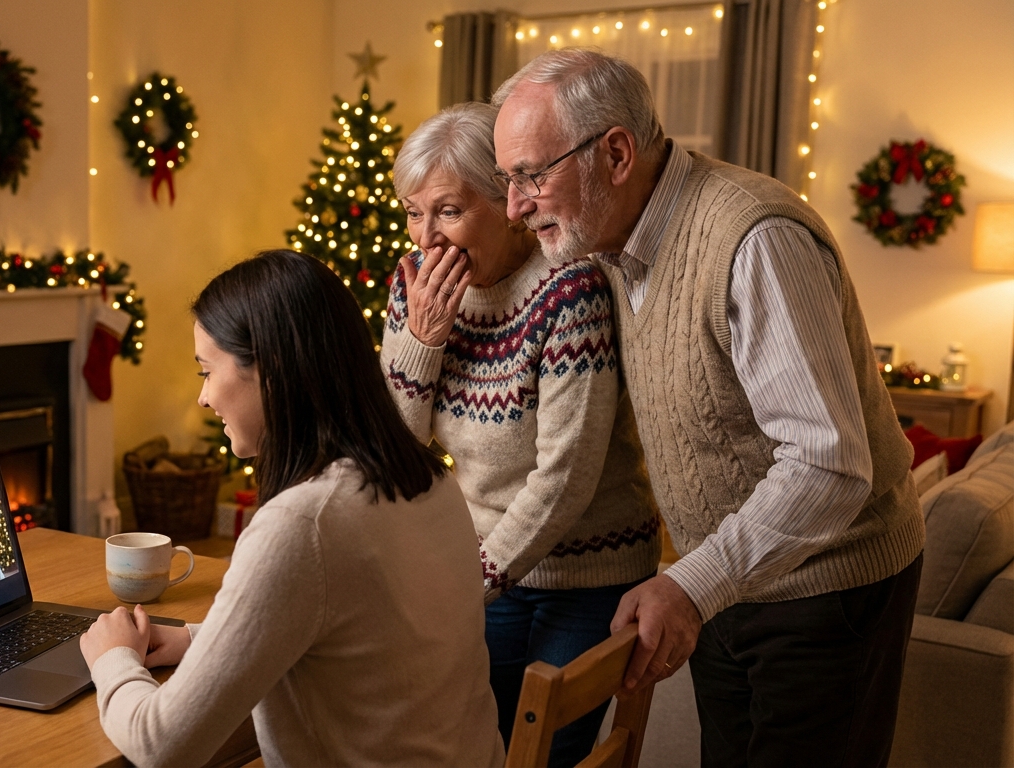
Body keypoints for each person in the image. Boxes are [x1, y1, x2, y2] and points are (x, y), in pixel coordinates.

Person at [492, 49, 924, 766]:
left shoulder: (755, 240)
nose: (514, 205)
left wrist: (692, 584)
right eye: (508, 179)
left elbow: (828, 465)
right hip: (728, 577)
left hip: (830, 585)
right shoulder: (607, 236)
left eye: (532, 174)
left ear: (618, 153)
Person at [79, 250, 505, 767]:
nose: (204, 399)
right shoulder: (429, 477)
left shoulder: (305, 523)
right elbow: (365, 635)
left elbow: (160, 745)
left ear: (272, 370)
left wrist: (114, 659)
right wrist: (201, 640)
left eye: (207, 372)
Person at [382, 101, 660, 766]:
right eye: (414, 213)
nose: (427, 238)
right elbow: (395, 448)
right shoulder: (414, 288)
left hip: (590, 570)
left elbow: (565, 475)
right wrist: (423, 339)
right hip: (484, 564)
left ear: (505, 199)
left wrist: (468, 580)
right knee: (465, 744)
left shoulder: (570, 288)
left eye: (447, 210)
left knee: (541, 755)